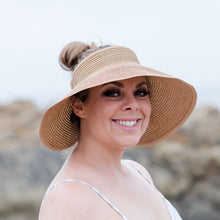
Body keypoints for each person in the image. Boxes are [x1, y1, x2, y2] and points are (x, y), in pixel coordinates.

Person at [38, 41, 197, 220]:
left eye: (141, 92)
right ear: (79, 106)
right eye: (113, 93)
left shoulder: (139, 173)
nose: (133, 105)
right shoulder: (68, 200)